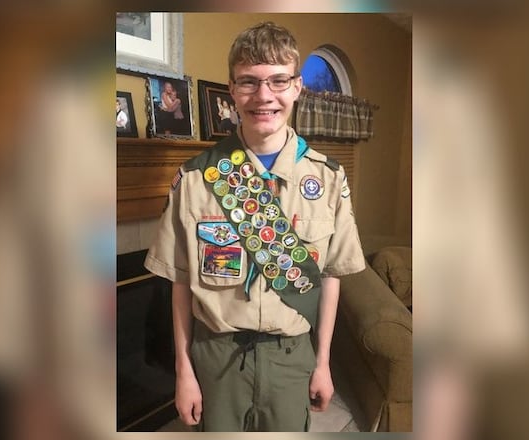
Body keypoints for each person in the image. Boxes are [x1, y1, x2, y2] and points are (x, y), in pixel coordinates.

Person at [144, 21, 365, 432]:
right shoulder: (195, 178)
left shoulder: (329, 179)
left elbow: (332, 277)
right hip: (215, 357)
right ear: (232, 89)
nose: (264, 96)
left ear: (297, 87)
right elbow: (179, 281)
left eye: (278, 81)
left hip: (291, 355)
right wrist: (184, 371)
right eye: (249, 82)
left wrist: (323, 363)